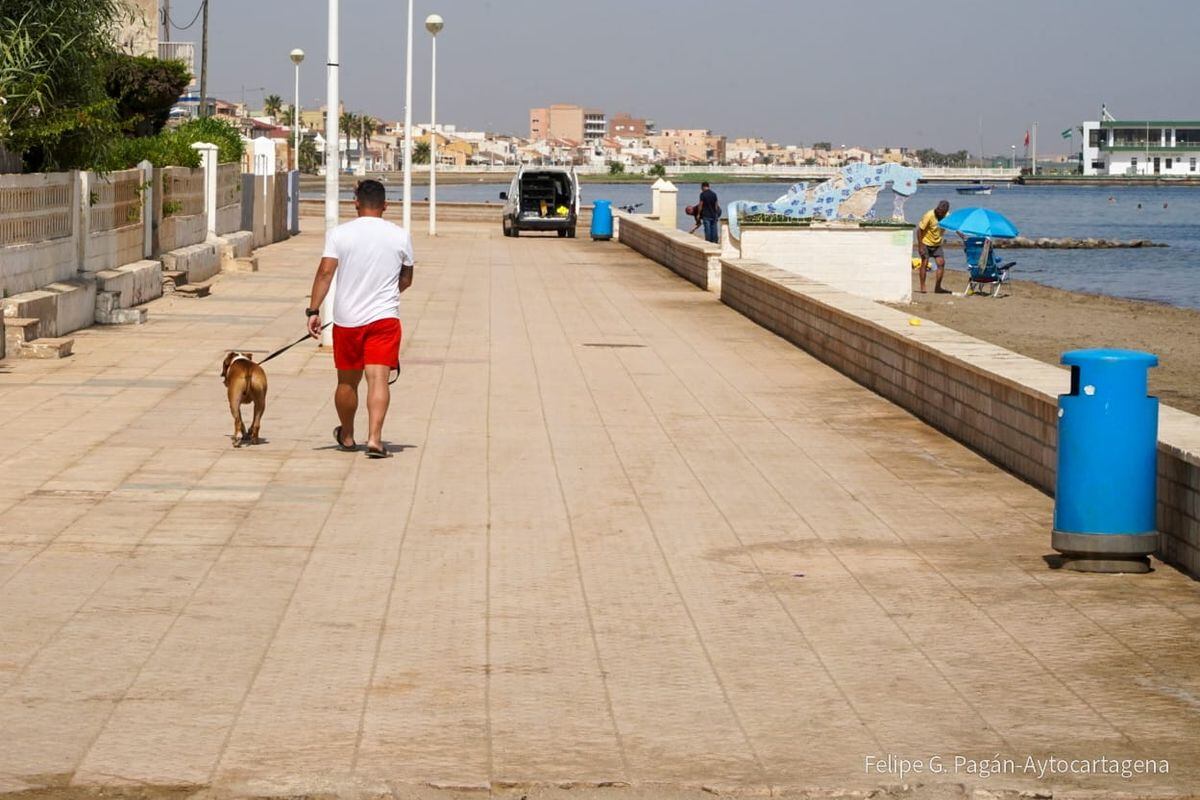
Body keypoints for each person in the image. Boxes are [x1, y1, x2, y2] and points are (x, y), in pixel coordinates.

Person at [307, 179, 414, 459]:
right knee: (378, 379)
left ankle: (348, 434)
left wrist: (313, 310)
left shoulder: (339, 234)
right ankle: (375, 439)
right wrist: (387, 293)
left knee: (347, 383)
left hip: (347, 320)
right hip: (385, 319)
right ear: (385, 206)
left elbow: (325, 273)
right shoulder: (400, 235)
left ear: (355, 203)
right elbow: (407, 278)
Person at [916, 200, 951, 294]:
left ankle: (938, 287)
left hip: (937, 244)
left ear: (945, 211)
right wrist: (920, 246)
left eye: (941, 212)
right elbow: (919, 230)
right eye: (938, 210)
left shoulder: (947, 216)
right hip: (925, 243)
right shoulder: (929, 215)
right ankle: (923, 286)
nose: (939, 212)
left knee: (941, 263)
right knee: (925, 263)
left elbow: (952, 226)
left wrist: (961, 234)